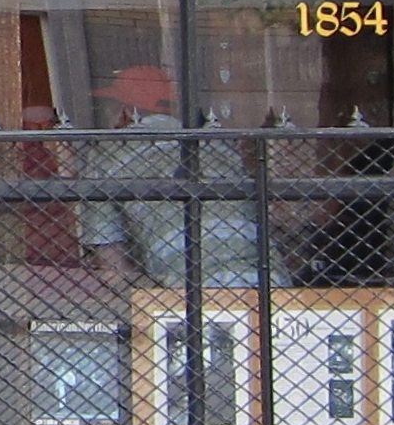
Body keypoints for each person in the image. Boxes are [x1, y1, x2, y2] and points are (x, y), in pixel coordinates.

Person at [76, 65, 264, 288]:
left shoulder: (107, 155)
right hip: (271, 289)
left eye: (109, 106)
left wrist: (147, 292)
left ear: (125, 110)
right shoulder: (216, 145)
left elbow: (111, 263)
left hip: (187, 293)